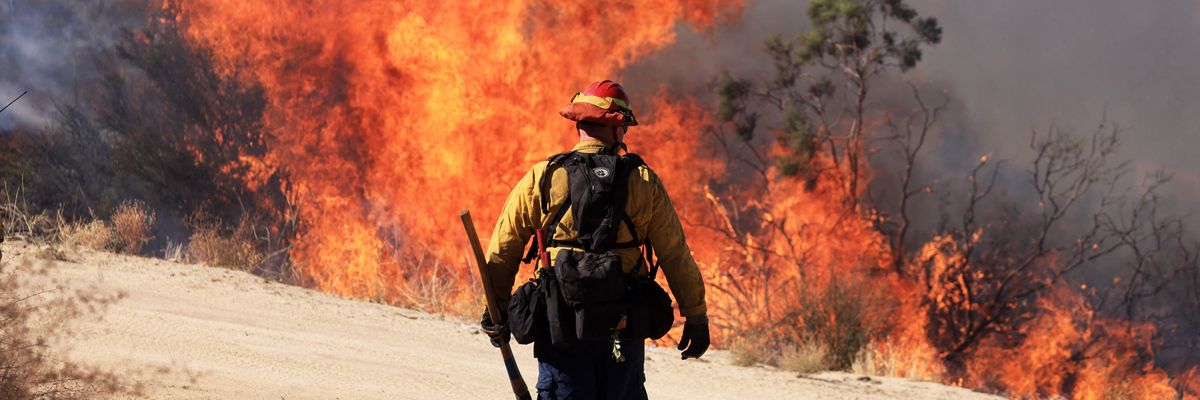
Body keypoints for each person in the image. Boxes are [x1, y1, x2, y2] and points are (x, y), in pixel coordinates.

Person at [480, 80, 709, 399]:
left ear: (580, 124)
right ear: (618, 128)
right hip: (622, 329)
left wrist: (495, 310)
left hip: (561, 327)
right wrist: (696, 315)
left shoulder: (544, 176)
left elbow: (503, 249)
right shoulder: (642, 180)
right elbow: (674, 254)